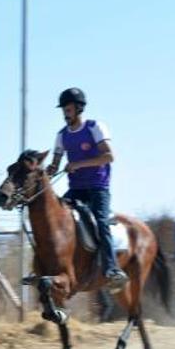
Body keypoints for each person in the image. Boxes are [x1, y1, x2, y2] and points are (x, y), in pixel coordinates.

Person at [46, 88, 128, 292]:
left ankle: (111, 270)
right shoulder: (61, 135)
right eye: (64, 109)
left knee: (101, 222)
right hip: (76, 189)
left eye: (69, 108)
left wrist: (78, 164)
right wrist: (43, 174)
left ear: (79, 108)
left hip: (98, 188)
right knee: (54, 219)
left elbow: (109, 156)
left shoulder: (95, 127)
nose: (65, 113)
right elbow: (54, 165)